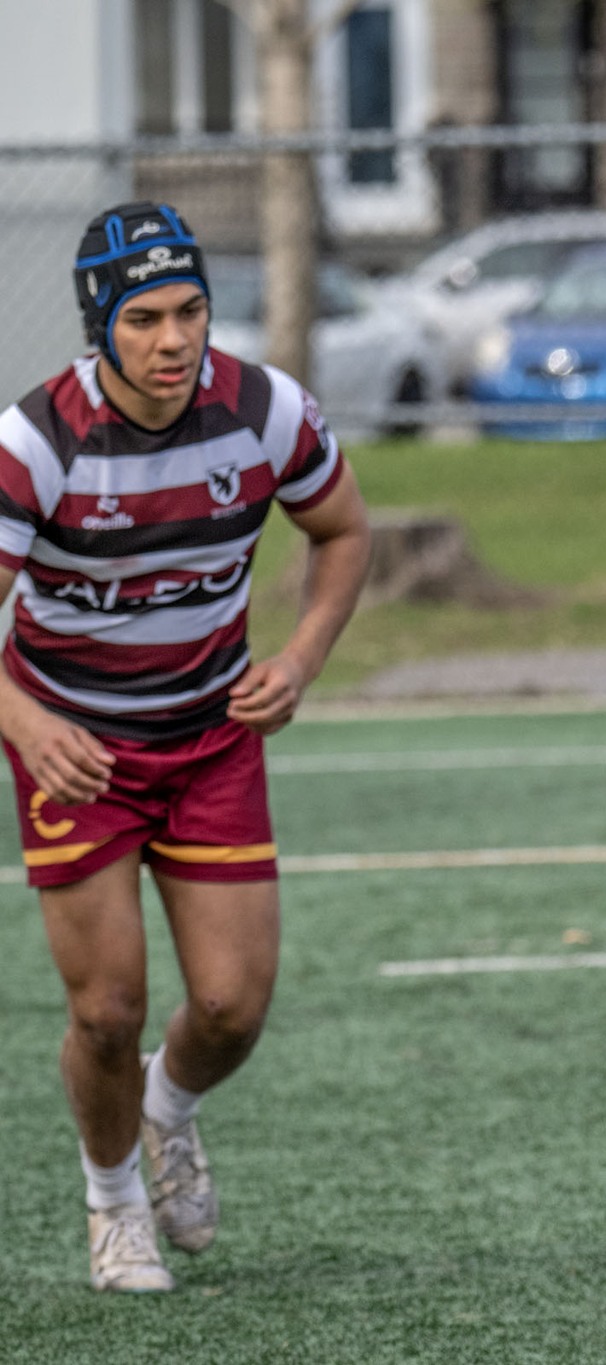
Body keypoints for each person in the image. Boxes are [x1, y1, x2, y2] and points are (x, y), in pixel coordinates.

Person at [0, 203, 370, 1292]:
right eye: (146, 317)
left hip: (211, 740)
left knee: (230, 1008)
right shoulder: (35, 442)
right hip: (77, 749)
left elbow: (343, 531)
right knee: (107, 1008)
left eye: (193, 311)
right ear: (98, 325)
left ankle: (168, 1110)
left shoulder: (265, 411)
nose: (175, 340)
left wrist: (298, 662)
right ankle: (113, 1205)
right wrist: (26, 721)